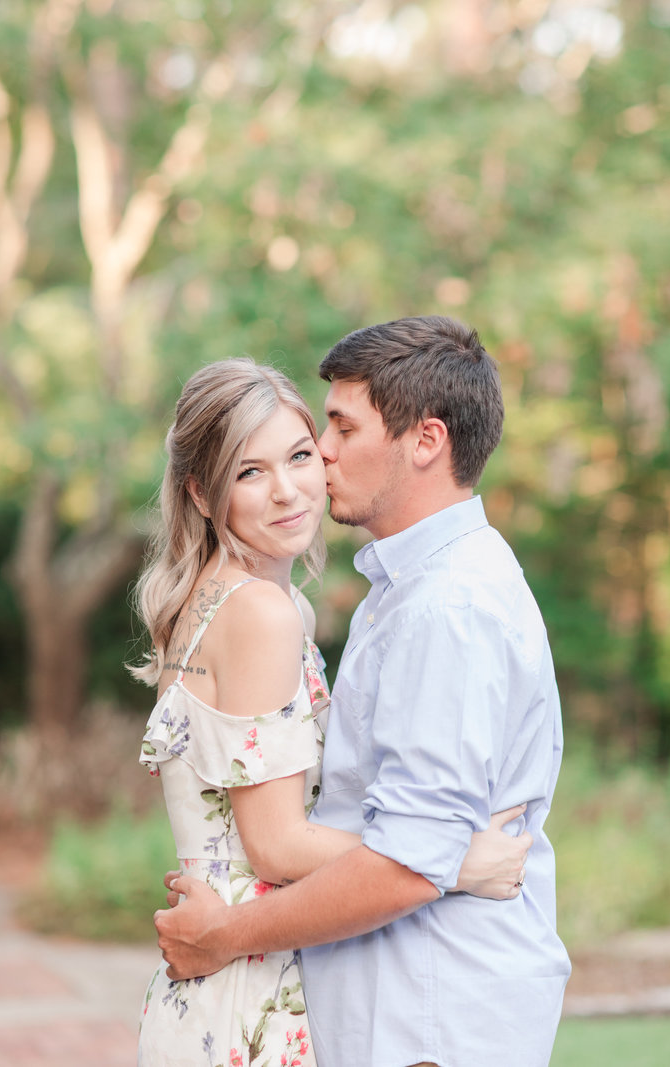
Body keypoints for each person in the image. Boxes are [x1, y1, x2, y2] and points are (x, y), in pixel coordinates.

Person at [155, 317, 572, 1067]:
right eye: (251, 469)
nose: (321, 452)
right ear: (203, 492)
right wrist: (456, 861)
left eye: (339, 428)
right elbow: (399, 853)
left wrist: (223, 934)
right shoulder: (397, 590)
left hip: (429, 1016)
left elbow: (407, 863)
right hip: (359, 1002)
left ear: (426, 441)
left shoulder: (446, 606)